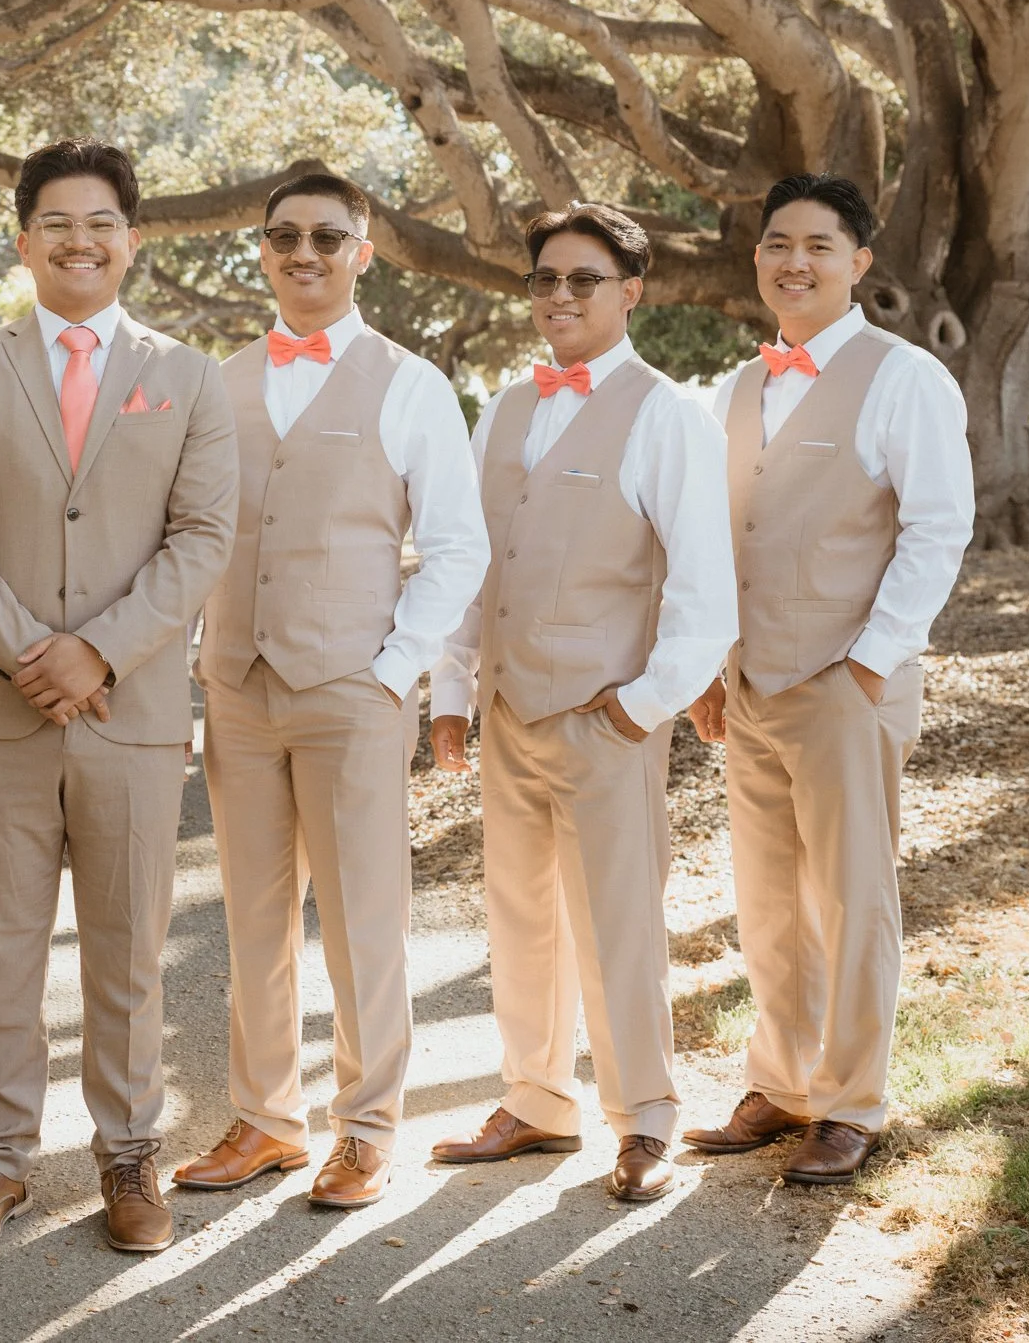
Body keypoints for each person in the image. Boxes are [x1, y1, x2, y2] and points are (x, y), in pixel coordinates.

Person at [0, 138, 237, 1255]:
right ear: (24, 237)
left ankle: (128, 1156)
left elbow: (202, 538)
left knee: (128, 948)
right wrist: (27, 653)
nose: (80, 241)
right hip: (2, 713)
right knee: (0, 948)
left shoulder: (188, 377)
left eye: (101, 223)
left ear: (130, 239)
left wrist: (99, 650)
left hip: (128, 710)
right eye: (57, 223)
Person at [176, 173, 487, 1210]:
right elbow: (187, 539)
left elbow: (455, 545)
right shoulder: (213, 383)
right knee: (254, 916)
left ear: (364, 249)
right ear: (260, 251)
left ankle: (366, 1127)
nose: (300, 252)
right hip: (236, 685)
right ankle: (266, 1118)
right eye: (281, 236)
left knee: (364, 918)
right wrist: (186, 670)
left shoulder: (409, 383)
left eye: (324, 235)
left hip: (354, 687)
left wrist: (393, 670)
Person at [427, 202, 736, 1204]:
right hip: (512, 710)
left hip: (606, 716)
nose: (559, 296)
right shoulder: (508, 407)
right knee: (518, 914)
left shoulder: (666, 411)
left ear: (631, 290)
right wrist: (453, 686)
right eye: (545, 279)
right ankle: (536, 1098)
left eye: (583, 279)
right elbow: (476, 561)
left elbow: (702, 582)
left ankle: (644, 1113)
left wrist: (643, 703)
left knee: (617, 925)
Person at [685, 173, 973, 1184]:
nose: (792, 262)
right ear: (757, 260)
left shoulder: (904, 378)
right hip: (751, 681)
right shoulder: (734, 388)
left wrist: (869, 657)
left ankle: (850, 1101)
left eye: (816, 245)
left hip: (848, 679)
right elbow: (719, 536)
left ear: (857, 264)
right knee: (765, 898)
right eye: (775, 244)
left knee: (851, 898)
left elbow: (939, 528)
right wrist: (712, 663)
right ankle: (782, 1080)